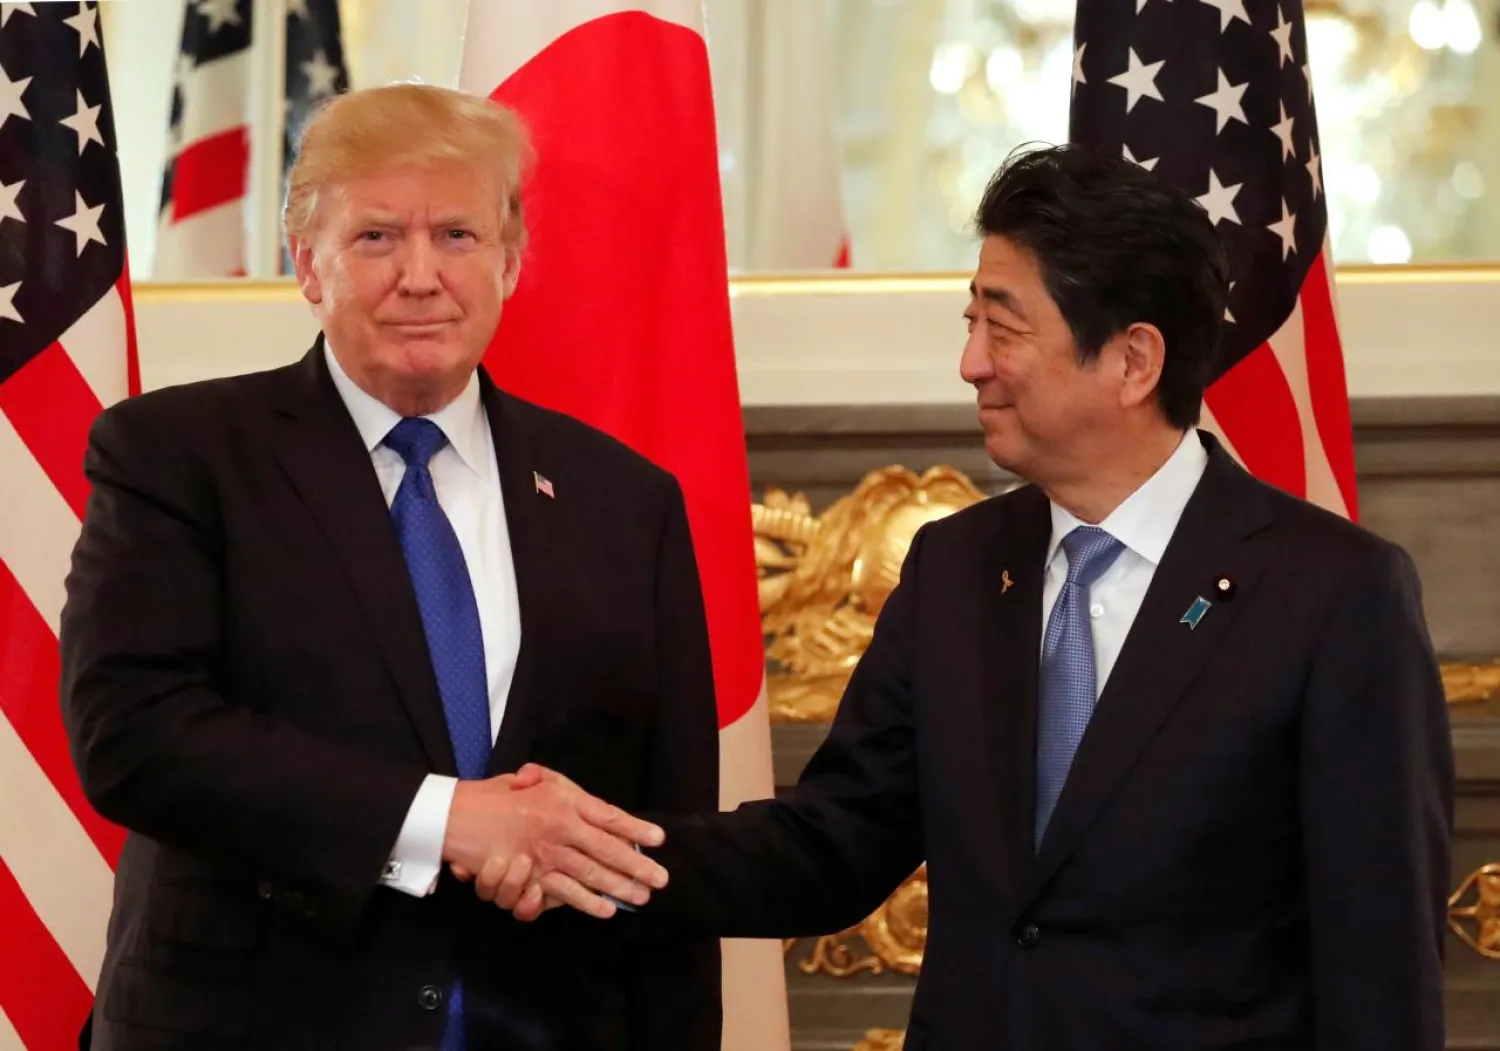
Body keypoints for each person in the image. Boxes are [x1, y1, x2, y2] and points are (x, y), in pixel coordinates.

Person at [496, 145, 1456, 1050]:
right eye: (972, 322)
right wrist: (585, 848)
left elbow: (1379, 963)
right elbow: (832, 843)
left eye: (1003, 326)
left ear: (1133, 361)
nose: (972, 363)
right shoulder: (955, 568)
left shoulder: (1333, 597)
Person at [59, 83, 721, 1051]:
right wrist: (446, 819)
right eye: (376, 238)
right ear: (307, 265)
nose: (421, 275)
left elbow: (661, 846)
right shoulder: (176, 454)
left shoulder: (627, 500)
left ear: (512, 260)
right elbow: (134, 735)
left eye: (457, 235)